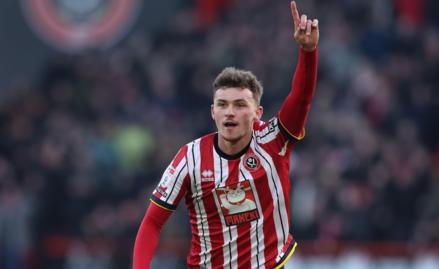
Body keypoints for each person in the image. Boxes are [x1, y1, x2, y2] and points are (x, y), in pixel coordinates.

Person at [133, 1, 319, 268]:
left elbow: (301, 100)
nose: (230, 112)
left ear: (258, 112)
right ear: (213, 112)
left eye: (240, 105)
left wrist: (308, 51)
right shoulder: (191, 158)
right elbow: (152, 221)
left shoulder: (272, 140)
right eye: (223, 105)